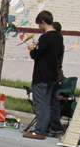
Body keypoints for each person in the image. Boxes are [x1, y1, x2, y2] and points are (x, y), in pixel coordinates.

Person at [24, 10, 64, 140]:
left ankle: (40, 130)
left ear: (43, 22)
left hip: (41, 75)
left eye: (39, 25)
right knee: (49, 103)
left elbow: (37, 55)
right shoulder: (59, 37)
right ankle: (49, 128)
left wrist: (31, 49)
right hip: (53, 75)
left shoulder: (45, 37)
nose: (39, 28)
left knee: (41, 104)